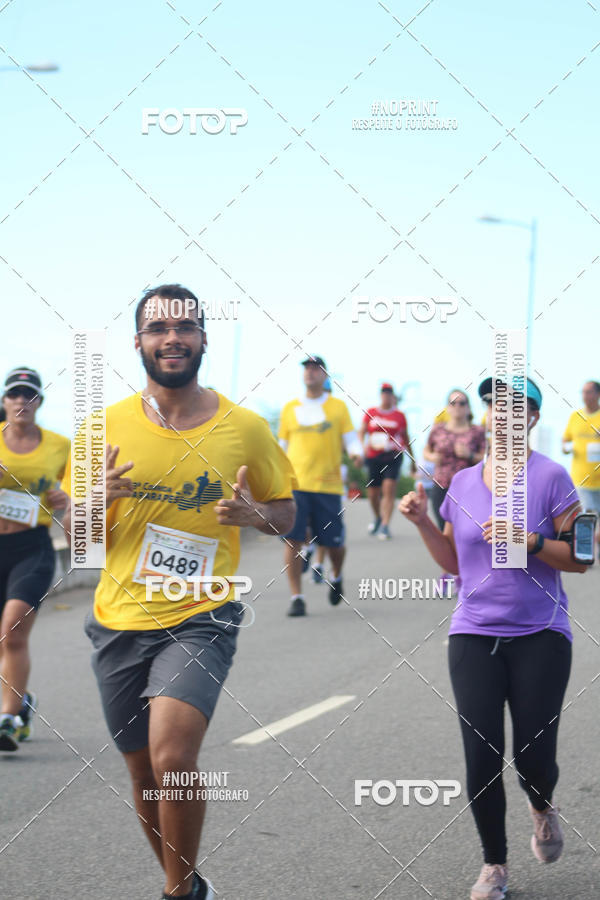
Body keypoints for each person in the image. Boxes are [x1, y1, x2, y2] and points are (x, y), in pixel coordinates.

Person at [62, 284, 296, 900]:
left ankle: (176, 896)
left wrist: (256, 517)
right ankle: (187, 885)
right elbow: (76, 536)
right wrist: (96, 502)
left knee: (171, 758)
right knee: (142, 771)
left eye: (185, 327)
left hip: (203, 615)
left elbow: (287, 512)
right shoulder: (100, 429)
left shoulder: (243, 427)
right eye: (158, 328)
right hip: (118, 618)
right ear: (138, 342)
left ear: (202, 340)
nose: (173, 338)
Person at [400, 376, 587, 900]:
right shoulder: (461, 484)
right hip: (473, 632)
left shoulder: (553, 478)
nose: (502, 416)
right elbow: (457, 564)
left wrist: (526, 540)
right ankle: (494, 866)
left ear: (530, 418)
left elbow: (582, 559)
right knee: (481, 754)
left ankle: (542, 805)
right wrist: (421, 525)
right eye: (493, 408)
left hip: (540, 633)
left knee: (533, 759)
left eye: (514, 409)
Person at [0, 367, 69, 750]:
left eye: (29, 395)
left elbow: (78, 495)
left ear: (39, 401)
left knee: (12, 629)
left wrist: (67, 500)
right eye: (14, 394)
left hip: (33, 547)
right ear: (4, 401)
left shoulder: (60, 445)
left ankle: (7, 719)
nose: (21, 402)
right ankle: (22, 703)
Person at [278, 355, 362, 616]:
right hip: (296, 484)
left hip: (327, 486)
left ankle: (336, 576)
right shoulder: (290, 408)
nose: (310, 373)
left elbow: (350, 438)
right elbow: (282, 446)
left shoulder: (337, 407)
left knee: (334, 543)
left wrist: (357, 452)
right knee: (293, 539)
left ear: (325, 375)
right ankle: (296, 597)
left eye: (316, 369)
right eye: (307, 368)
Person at [360, 383, 415, 540]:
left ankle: (385, 525)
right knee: (372, 492)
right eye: (383, 393)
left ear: (393, 396)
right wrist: (360, 448)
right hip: (373, 456)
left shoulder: (399, 415)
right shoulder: (371, 412)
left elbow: (406, 437)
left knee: (389, 489)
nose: (386, 396)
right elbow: (361, 431)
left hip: (393, 456)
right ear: (380, 395)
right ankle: (378, 517)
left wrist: (412, 460)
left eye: (389, 393)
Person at [424, 390, 485, 530]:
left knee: (464, 529)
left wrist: (470, 455)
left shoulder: (477, 431)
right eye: (453, 403)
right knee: (443, 528)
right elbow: (426, 450)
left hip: (468, 487)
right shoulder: (437, 430)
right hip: (441, 485)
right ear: (448, 407)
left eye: (462, 403)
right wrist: (432, 457)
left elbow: (486, 457)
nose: (457, 406)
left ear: (468, 407)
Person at [562, 380, 600, 556]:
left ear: (597, 394)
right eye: (583, 392)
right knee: (585, 516)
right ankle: (585, 553)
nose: (585, 396)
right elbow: (565, 440)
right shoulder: (575, 416)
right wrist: (566, 448)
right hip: (581, 477)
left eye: (589, 392)